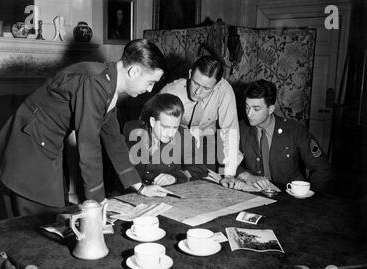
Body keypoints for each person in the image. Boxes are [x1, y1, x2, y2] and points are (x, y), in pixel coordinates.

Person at [0, 39, 170, 218]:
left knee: (53, 212)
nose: (150, 90)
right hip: (27, 146)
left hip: (44, 144)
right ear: (134, 71)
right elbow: (89, 145)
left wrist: (140, 186)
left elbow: (114, 141)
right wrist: (99, 201)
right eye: (150, 82)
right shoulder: (95, 83)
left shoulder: (108, 85)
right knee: (36, 222)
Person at [230, 79, 333, 193]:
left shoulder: (295, 130)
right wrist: (246, 176)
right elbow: (224, 158)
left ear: (271, 109)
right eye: (247, 107)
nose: (249, 114)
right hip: (256, 194)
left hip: (289, 197)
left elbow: (322, 168)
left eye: (256, 109)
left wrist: (310, 195)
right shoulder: (241, 128)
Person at [160, 55, 242, 186]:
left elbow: (229, 131)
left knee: (207, 183)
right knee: (174, 181)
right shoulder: (171, 91)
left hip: (207, 140)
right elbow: (149, 124)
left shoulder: (224, 90)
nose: (198, 92)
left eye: (207, 88)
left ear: (217, 84)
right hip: (176, 141)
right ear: (190, 74)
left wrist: (229, 174)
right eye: (195, 83)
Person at [124, 93, 207, 186]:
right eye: (165, 127)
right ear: (152, 121)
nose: (171, 133)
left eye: (175, 127)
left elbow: (199, 170)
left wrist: (175, 177)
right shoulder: (130, 131)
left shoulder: (185, 138)